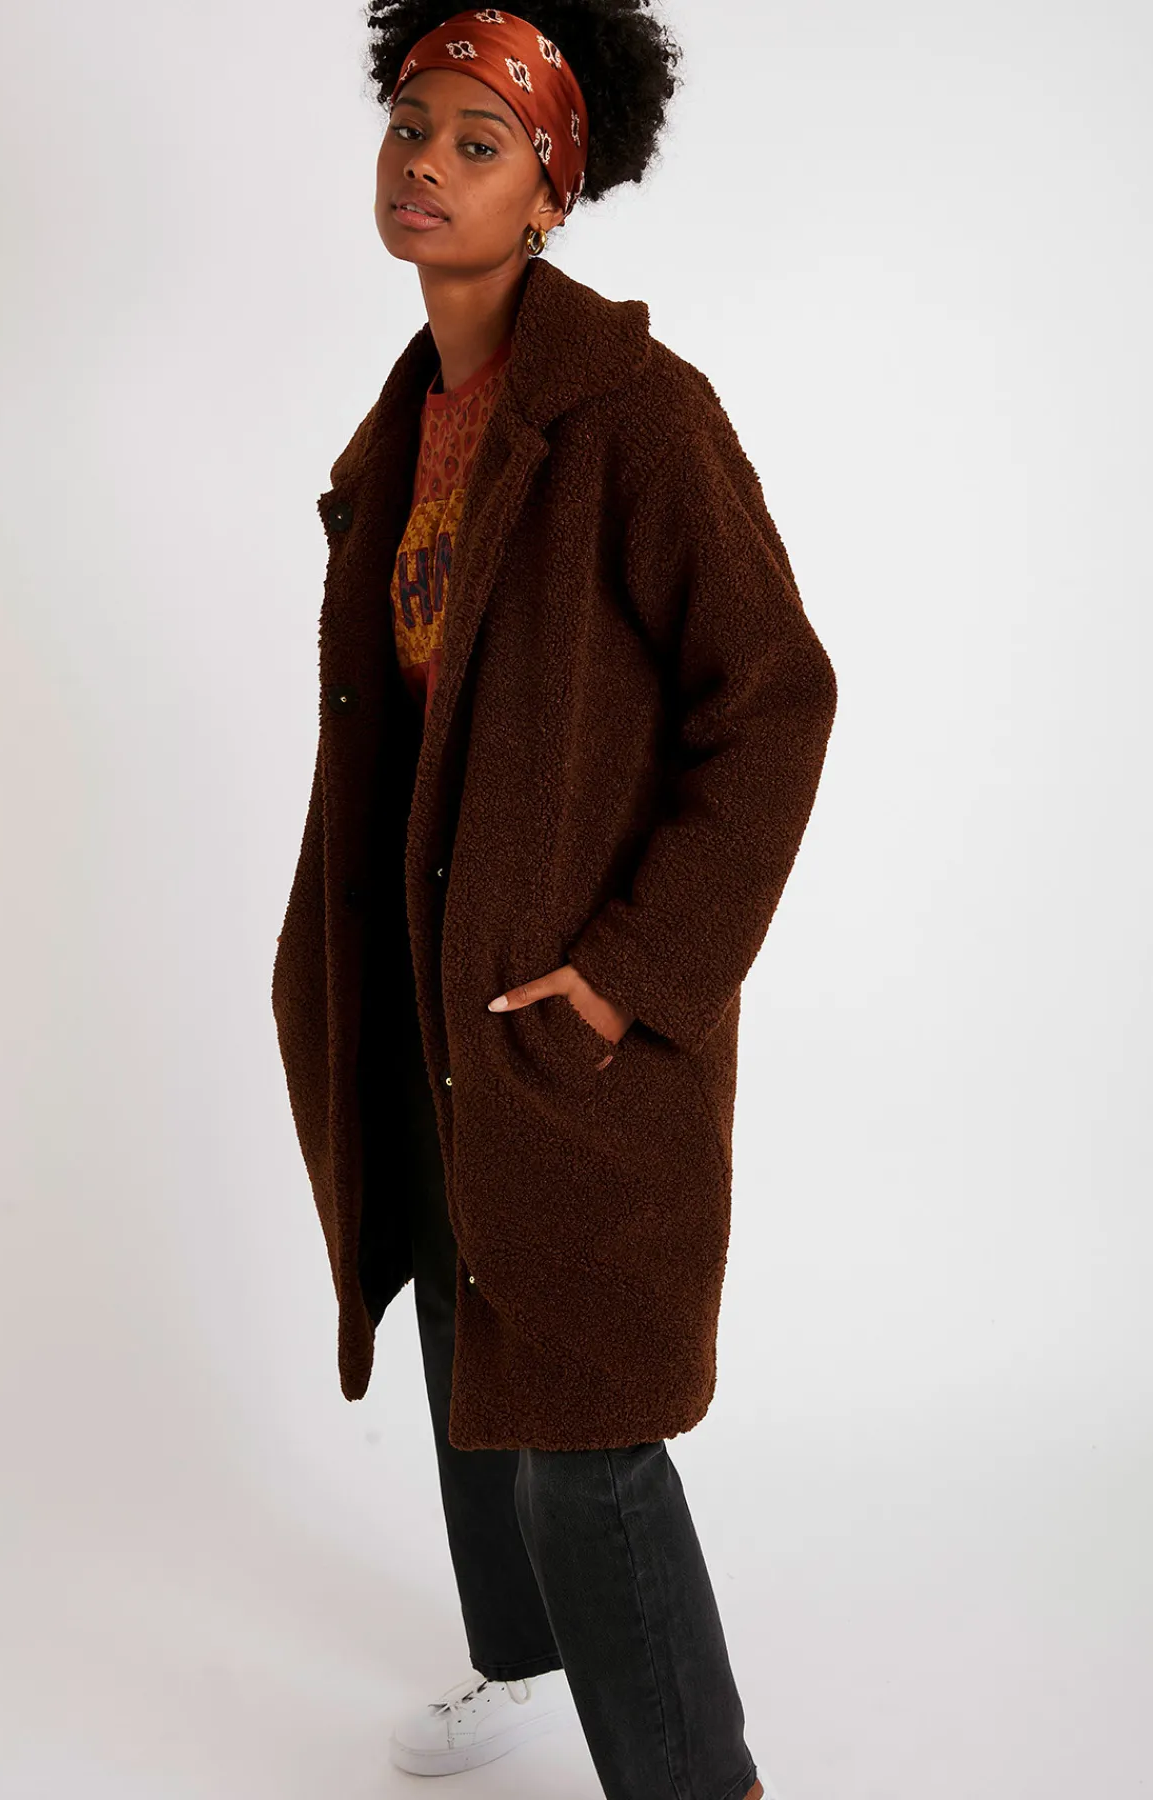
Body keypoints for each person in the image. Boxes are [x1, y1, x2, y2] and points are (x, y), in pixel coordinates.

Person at [271, 6, 838, 1798]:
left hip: (566, 1015)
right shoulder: (405, 426)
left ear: (551, 194)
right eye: (411, 125)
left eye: (479, 143)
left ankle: (699, 1781)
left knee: (587, 1430)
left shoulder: (637, 417)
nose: (426, 165)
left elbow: (776, 697)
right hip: (428, 989)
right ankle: (517, 1670)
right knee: (467, 1345)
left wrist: (631, 970)